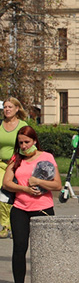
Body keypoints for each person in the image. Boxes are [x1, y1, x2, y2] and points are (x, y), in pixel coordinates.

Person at [2, 125, 61, 283]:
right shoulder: (16, 158)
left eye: (27, 142)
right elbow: (6, 183)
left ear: (34, 141)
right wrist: (25, 189)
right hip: (20, 208)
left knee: (45, 249)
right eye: (21, 143)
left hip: (42, 208)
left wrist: (37, 181)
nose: (24, 146)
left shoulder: (46, 157)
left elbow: (57, 184)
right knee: (19, 248)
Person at [0, 98, 29, 240]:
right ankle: (5, 225)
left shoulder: (22, 126)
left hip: (17, 164)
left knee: (14, 195)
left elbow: (27, 144)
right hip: (1, 164)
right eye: (5, 107)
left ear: (17, 108)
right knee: (2, 195)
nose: (7, 109)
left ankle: (14, 224)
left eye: (10, 107)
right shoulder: (0, 125)